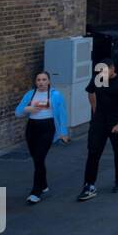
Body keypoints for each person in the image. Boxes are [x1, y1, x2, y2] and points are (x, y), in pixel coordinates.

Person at [79, 61, 118, 200]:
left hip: (116, 122)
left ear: (112, 69)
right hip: (99, 123)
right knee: (93, 152)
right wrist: (94, 108)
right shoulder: (98, 80)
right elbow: (90, 92)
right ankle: (89, 185)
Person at [14, 71, 69, 204]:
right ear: (35, 82)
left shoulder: (55, 95)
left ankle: (35, 192)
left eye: (44, 79)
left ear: (49, 81)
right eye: (38, 80)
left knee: (39, 158)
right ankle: (43, 184)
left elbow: (62, 113)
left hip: (47, 127)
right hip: (32, 128)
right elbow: (18, 112)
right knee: (37, 160)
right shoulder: (30, 94)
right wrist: (29, 109)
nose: (41, 82)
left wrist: (63, 132)